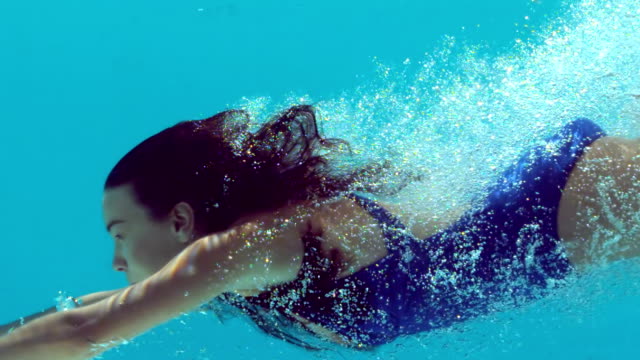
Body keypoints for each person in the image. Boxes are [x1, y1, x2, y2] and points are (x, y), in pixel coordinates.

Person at [1, 105, 639, 359]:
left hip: (579, 195)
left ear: (180, 221)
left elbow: (86, 333)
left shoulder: (235, 252)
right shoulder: (255, 262)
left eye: (118, 233)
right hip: (579, 211)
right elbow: (91, 317)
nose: (114, 260)